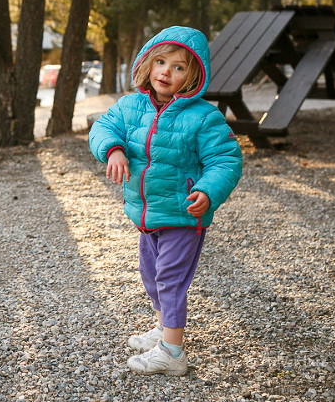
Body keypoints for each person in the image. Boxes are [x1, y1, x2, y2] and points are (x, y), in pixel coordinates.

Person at [89, 26, 242, 376]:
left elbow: (226, 159)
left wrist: (208, 190)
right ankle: (163, 330)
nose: (166, 72)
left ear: (193, 75)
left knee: (170, 279)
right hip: (148, 214)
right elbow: (102, 127)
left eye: (178, 67)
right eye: (160, 62)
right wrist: (111, 149)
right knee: (151, 275)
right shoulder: (130, 106)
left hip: (184, 213)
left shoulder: (203, 116)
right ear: (146, 63)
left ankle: (173, 352)